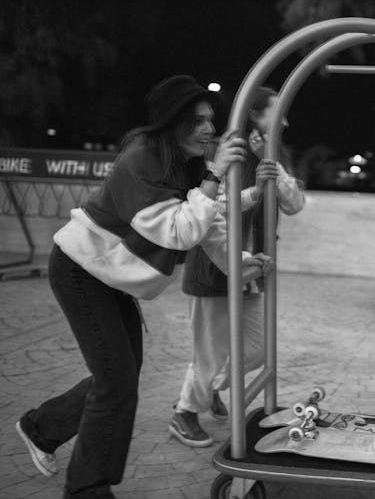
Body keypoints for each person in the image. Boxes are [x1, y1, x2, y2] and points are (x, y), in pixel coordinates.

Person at [14, 75, 272, 498]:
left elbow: (208, 223)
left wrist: (244, 263)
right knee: (115, 381)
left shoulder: (189, 166)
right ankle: (87, 488)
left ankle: (42, 428)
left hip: (110, 278)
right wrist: (217, 172)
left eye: (210, 120)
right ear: (173, 121)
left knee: (119, 377)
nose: (210, 129)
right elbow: (178, 231)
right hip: (81, 270)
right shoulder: (142, 157)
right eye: (198, 121)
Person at [170, 87, 305, 447]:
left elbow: (295, 204)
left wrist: (274, 169)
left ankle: (207, 389)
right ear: (255, 115)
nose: (286, 120)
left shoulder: (273, 153)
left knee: (258, 350)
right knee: (210, 352)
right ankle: (185, 411)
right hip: (215, 268)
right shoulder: (225, 152)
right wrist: (253, 190)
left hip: (253, 271)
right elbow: (210, 210)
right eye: (278, 112)